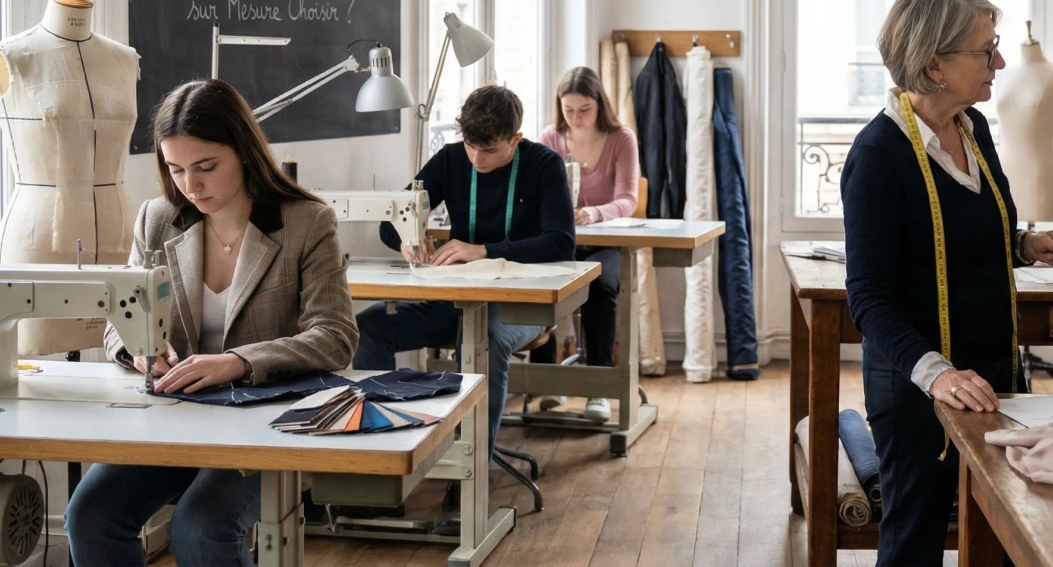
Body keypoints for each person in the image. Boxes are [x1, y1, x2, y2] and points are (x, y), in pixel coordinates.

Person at [64, 79, 358, 567]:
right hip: (176, 416)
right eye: (175, 169)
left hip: (270, 422)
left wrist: (238, 363)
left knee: (200, 527)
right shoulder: (156, 220)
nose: (190, 186)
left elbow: (336, 337)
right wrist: (138, 350)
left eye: (206, 167)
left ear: (244, 152)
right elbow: (119, 317)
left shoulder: (307, 222)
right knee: (90, 515)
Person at [842, 0, 1053, 566]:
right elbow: (869, 296)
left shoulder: (974, 129)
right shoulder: (877, 156)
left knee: (1001, 528)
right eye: (984, 49)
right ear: (933, 63)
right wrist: (937, 375)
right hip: (919, 384)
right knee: (915, 540)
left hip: (992, 371)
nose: (999, 61)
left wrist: (1025, 244)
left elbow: (964, 236)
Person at [353, 84, 574, 531]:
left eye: (488, 151)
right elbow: (390, 219)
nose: (476, 159)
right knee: (370, 328)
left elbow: (561, 242)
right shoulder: (452, 158)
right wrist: (407, 240)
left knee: (483, 339)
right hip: (455, 301)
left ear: (515, 139)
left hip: (517, 307)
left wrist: (485, 250)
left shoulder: (544, 165)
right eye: (471, 146)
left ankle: (468, 478)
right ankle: (379, 469)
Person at [531, 66, 639, 421]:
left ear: (599, 105)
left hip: (605, 241)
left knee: (602, 287)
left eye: (584, 110)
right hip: (563, 240)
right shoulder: (550, 137)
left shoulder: (622, 139)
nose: (575, 118)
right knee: (541, 287)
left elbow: (629, 199)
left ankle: (599, 388)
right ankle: (547, 382)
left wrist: (595, 213)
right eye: (568, 110)